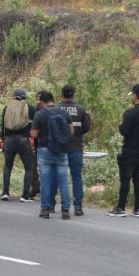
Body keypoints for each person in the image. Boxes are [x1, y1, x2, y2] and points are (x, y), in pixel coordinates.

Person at [109, 83, 139, 218]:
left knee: (125, 179)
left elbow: (124, 131)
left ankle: (121, 207)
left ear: (135, 95)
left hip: (130, 151)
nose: (131, 96)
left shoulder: (130, 113)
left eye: (132, 94)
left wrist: (120, 125)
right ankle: (138, 209)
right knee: (138, 179)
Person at [30, 90, 73, 219]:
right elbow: (71, 131)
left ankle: (45, 210)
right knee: (63, 181)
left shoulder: (40, 115)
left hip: (45, 151)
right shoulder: (64, 112)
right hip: (61, 151)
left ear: (42, 102)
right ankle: (65, 210)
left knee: (45, 181)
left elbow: (34, 135)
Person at [0, 88, 37, 202]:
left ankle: (5, 192)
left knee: (8, 166)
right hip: (23, 140)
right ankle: (25, 195)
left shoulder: (7, 108)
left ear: (14, 96)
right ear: (24, 97)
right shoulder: (30, 108)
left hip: (9, 140)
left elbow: (3, 127)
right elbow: (36, 124)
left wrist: (3, 140)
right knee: (29, 167)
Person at [60, 84, 92, 216]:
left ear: (62, 95)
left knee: (59, 177)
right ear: (73, 95)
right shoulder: (81, 109)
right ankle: (78, 207)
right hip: (76, 147)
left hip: (60, 148)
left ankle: (51, 205)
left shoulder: (57, 109)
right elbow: (86, 127)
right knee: (76, 177)